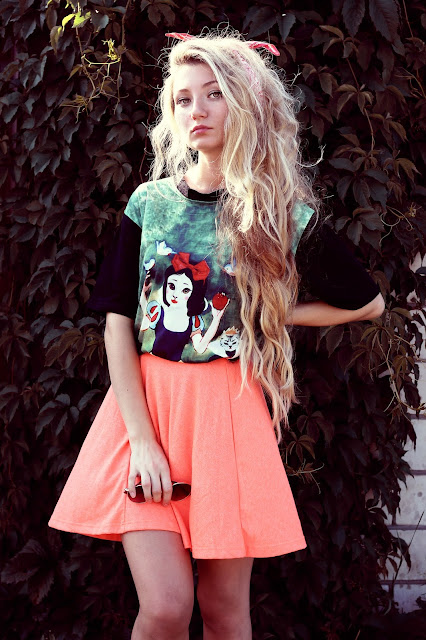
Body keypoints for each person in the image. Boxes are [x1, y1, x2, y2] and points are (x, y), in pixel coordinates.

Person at [49, 30, 385, 640]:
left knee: (226, 611)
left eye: (213, 94)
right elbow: (118, 320)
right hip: (144, 416)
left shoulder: (279, 215)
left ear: (246, 105)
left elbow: (368, 303)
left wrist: (269, 313)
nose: (196, 110)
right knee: (166, 607)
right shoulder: (149, 204)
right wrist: (142, 442)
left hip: (227, 420)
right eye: (182, 99)